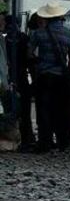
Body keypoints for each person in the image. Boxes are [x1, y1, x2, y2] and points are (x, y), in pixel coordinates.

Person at [28, 3, 70, 152]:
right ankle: (63, 142)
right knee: (62, 110)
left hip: (44, 76)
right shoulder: (69, 34)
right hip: (62, 78)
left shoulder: (38, 33)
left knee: (43, 110)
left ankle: (45, 142)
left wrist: (39, 62)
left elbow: (29, 54)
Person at [5, 15, 35, 151]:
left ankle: (17, 137)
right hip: (21, 76)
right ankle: (26, 138)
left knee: (12, 108)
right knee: (25, 110)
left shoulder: (7, 40)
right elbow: (30, 59)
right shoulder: (23, 38)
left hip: (12, 76)